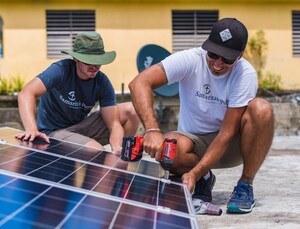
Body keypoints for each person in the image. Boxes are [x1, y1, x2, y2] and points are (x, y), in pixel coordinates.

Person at [129, 18, 274, 214]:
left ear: (240, 55)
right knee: (169, 147)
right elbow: (139, 83)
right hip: (194, 143)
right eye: (213, 54)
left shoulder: (245, 74)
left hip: (233, 144)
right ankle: (205, 180)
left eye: (227, 59)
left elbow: (226, 133)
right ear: (207, 46)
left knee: (262, 108)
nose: (218, 64)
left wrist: (194, 173)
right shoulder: (190, 59)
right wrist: (152, 130)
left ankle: (245, 185)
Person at [15, 31, 140, 153]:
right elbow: (26, 93)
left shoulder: (102, 81)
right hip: (54, 132)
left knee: (131, 111)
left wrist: (117, 148)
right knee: (96, 150)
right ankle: (92, 153)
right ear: (75, 58)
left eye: (98, 61)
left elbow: (114, 124)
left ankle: (123, 154)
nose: (94, 66)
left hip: (80, 127)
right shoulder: (60, 70)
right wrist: (32, 129)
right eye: (88, 60)